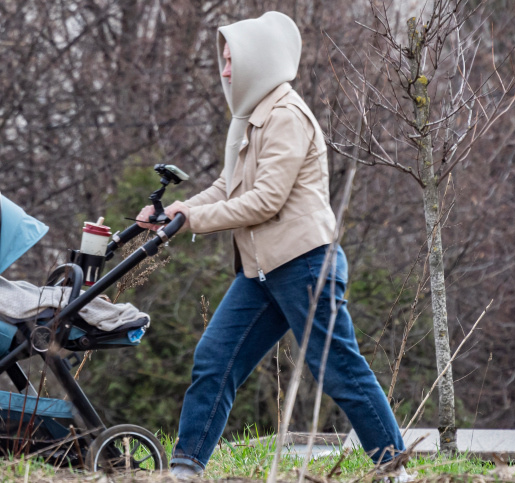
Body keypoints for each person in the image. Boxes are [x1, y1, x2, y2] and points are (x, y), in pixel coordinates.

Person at [137, 12, 408, 479]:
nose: (224, 70)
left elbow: (264, 201)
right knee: (215, 358)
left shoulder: (285, 116)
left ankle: (395, 469)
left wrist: (191, 220)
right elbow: (228, 186)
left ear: (255, 61)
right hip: (262, 271)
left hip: (305, 267)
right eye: (222, 61)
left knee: (338, 368)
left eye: (230, 60)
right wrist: (176, 211)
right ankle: (184, 469)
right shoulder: (252, 118)